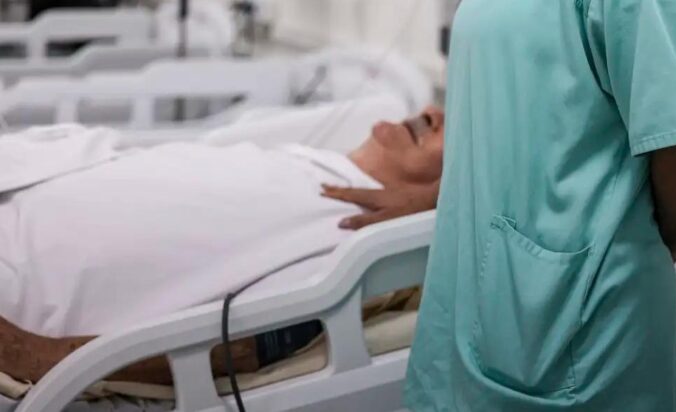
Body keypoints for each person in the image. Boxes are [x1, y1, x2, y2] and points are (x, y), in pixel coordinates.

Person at [331, 2, 676, 412]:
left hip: (573, 330)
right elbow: (533, 105)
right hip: (470, 314)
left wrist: (645, 246)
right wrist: (445, 193)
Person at [0, 107, 443, 385]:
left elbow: (243, 346)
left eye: (462, 131)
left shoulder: (364, 245)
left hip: (21, 288)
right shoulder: (298, 157)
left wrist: (44, 357)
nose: (434, 112)